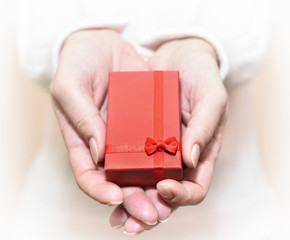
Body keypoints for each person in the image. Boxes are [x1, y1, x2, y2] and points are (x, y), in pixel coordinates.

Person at [15, 0, 276, 239]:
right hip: (61, 215)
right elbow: (34, 19)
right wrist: (73, 40)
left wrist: (206, 47)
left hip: (230, 211)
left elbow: (249, 19)